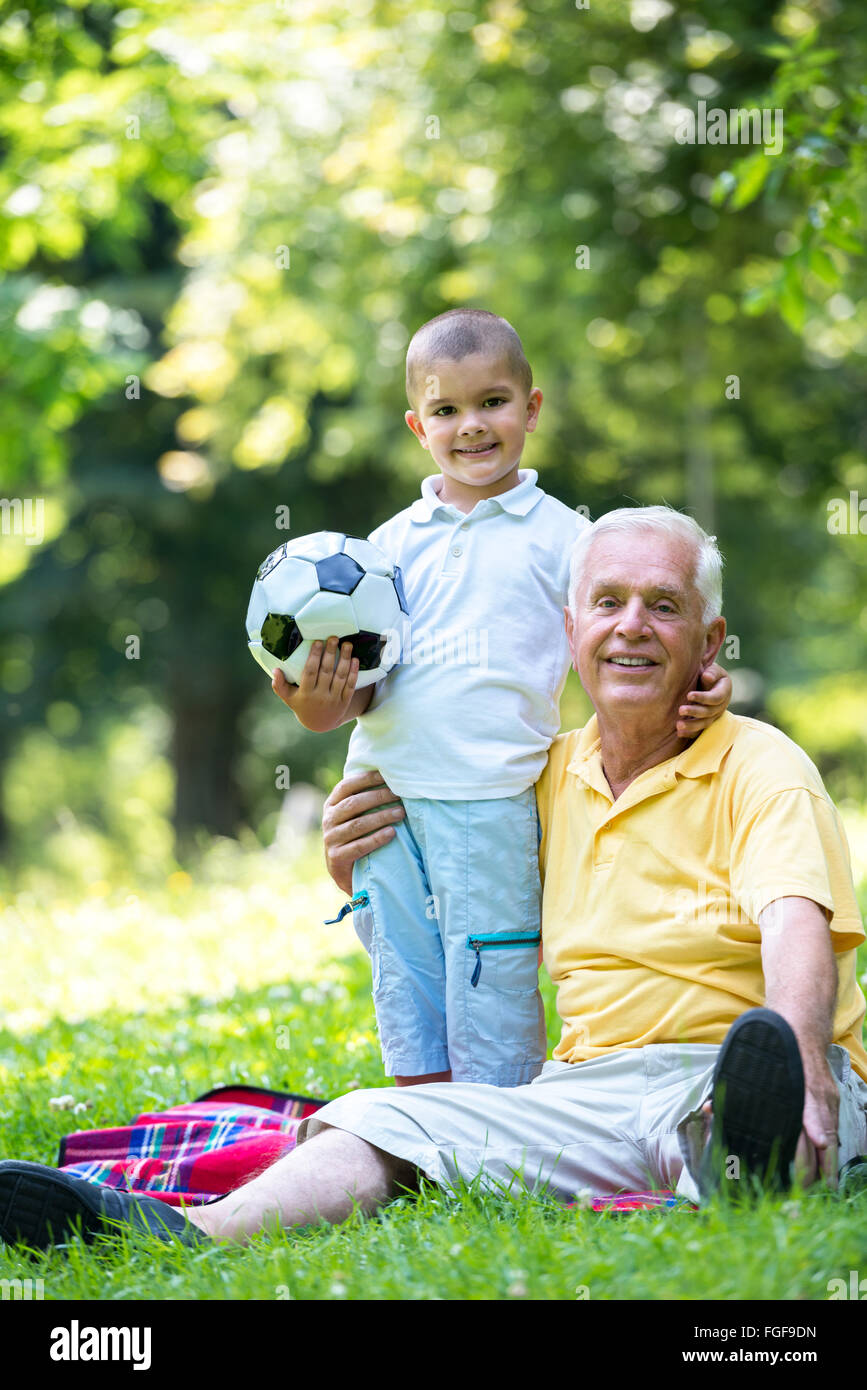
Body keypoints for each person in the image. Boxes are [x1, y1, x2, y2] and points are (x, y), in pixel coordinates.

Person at [2, 505, 864, 1249]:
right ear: (570, 633)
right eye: (608, 602)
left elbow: (796, 919)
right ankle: (177, 1232)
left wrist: (800, 1058)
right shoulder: (530, 779)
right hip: (584, 1090)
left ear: (708, 642)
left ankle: (752, 1154)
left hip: (740, 1066)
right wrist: (359, 873)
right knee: (377, 1117)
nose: (631, 625)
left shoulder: (757, 762)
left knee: (752, 1117)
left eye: (663, 607)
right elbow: (458, 897)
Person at [270, 308, 730, 1089]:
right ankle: (420, 1114)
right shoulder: (381, 550)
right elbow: (350, 699)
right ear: (418, 425)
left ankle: (496, 1115)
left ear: (531, 408)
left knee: (491, 966)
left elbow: (627, 631)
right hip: (383, 792)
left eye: (492, 403)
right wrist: (314, 703)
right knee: (402, 963)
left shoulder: (567, 540)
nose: (470, 426)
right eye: (446, 410)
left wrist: (701, 682)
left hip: (493, 797)